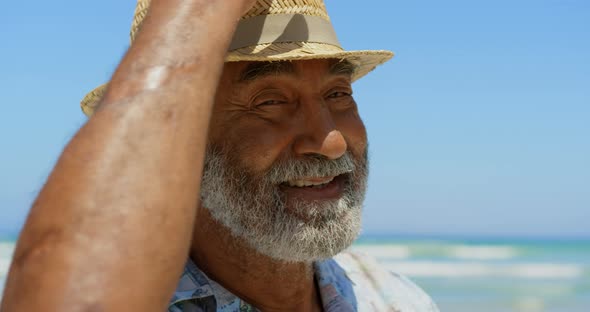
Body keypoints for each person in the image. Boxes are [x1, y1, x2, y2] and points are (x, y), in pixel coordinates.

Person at [1, 0, 439, 311]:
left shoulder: (394, 298)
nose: (331, 144)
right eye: (270, 101)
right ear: (179, 140)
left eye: (338, 94)